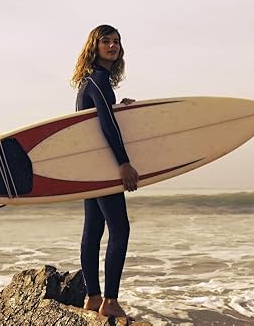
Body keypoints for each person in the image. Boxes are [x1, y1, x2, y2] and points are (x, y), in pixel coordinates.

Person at [70, 24, 139, 318]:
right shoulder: (98, 81)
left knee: (94, 231)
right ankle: (109, 301)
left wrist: (120, 108)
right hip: (102, 168)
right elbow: (105, 126)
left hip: (90, 168)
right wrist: (123, 162)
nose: (113, 46)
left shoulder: (93, 82)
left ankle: (93, 297)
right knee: (120, 229)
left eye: (117, 42)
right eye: (106, 41)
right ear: (94, 47)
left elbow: (102, 119)